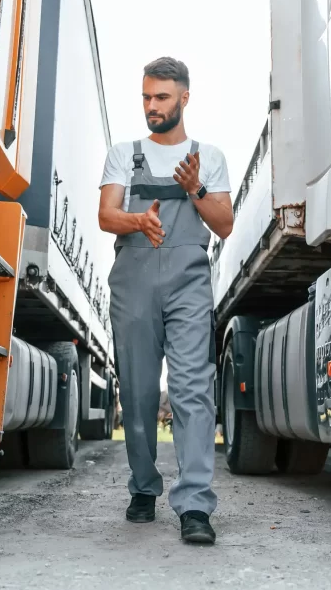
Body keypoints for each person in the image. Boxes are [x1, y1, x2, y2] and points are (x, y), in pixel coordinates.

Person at [98, 57, 233, 544]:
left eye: (161, 97)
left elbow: (223, 223)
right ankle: (143, 486)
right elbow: (105, 215)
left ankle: (194, 504)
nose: (151, 106)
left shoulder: (208, 157)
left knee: (192, 389)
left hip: (188, 281)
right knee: (136, 393)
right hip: (133, 278)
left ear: (184, 98)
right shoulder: (123, 154)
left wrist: (193, 187)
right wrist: (139, 222)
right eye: (146, 97)